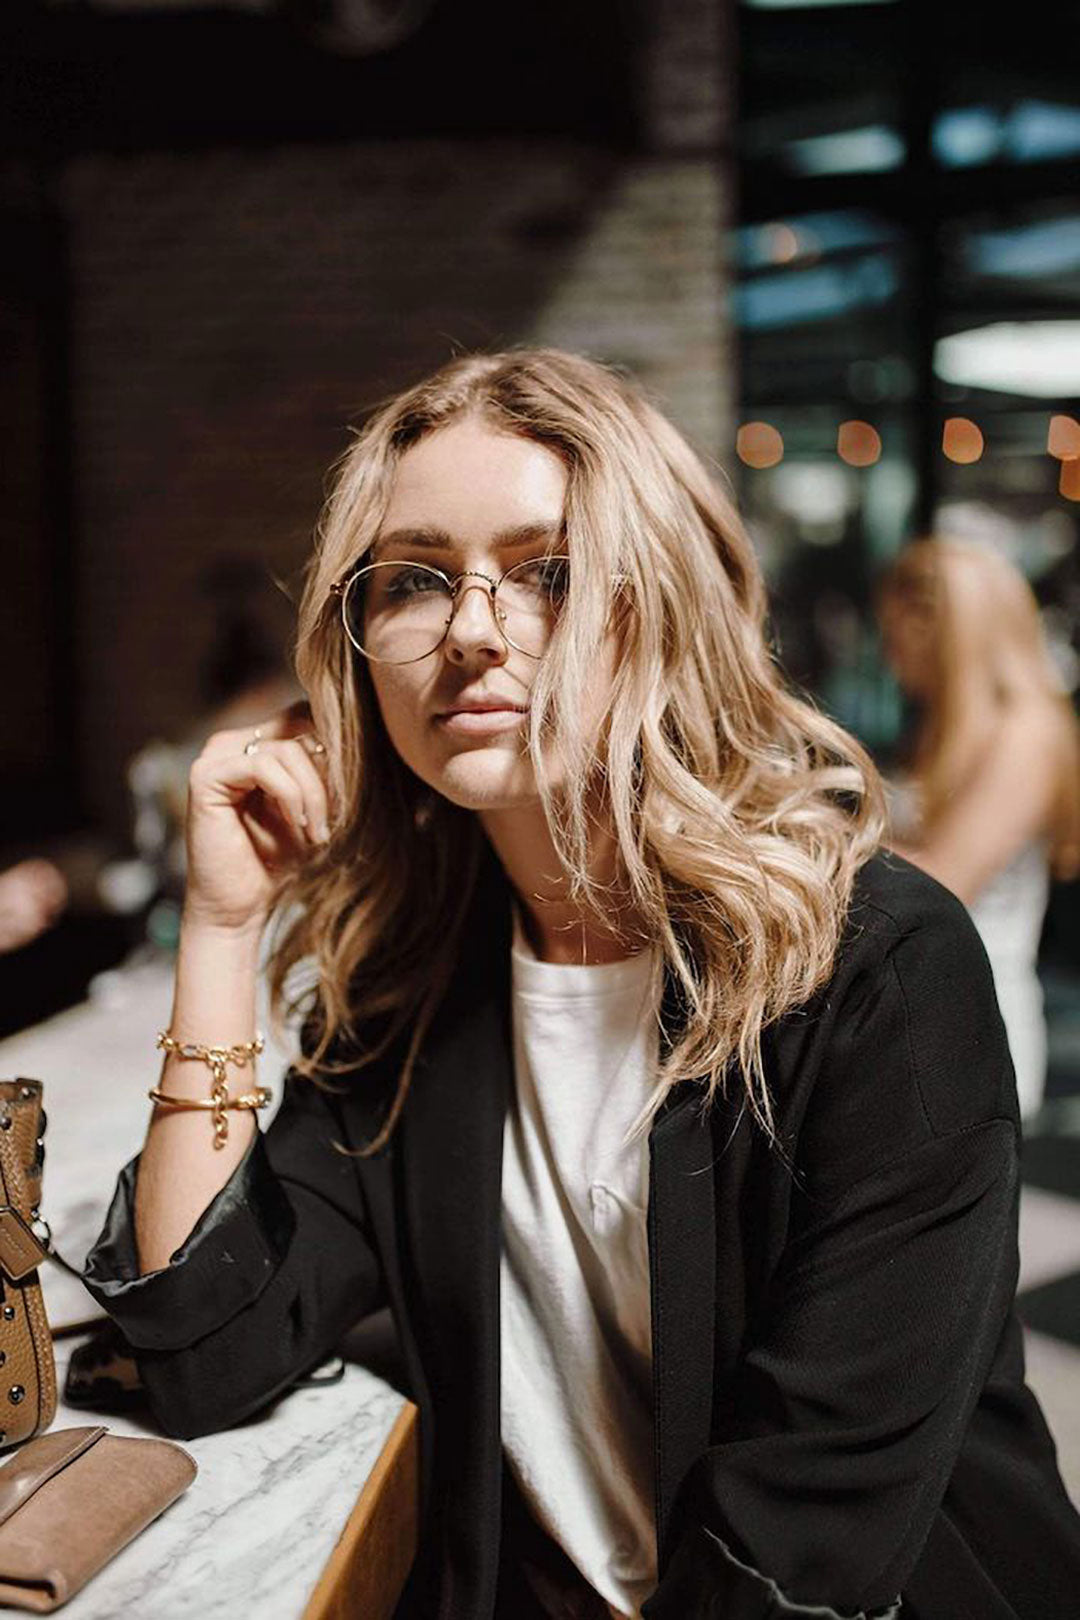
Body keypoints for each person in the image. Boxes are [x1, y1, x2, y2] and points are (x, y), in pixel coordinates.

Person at [83, 351, 1080, 1620]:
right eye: (414, 581)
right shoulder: (413, 987)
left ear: (661, 602)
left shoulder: (873, 966)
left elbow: (806, 1539)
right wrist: (221, 931)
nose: (474, 631)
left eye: (547, 572)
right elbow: (204, 1346)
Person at [877, 537, 1080, 1121]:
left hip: (975, 1012)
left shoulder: (1025, 734)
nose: (892, 657)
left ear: (942, 628)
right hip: (923, 1005)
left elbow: (945, 879)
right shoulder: (949, 729)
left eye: (896, 636)